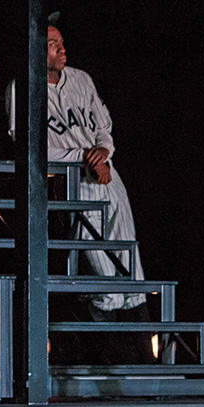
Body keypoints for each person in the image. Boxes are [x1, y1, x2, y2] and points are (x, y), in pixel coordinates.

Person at [45, 19, 150, 334]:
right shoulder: (21, 88)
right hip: (70, 178)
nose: (63, 49)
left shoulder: (81, 79)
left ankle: (147, 362)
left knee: (132, 273)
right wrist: (85, 157)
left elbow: (104, 128)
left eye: (62, 41)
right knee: (108, 283)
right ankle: (103, 347)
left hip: (106, 174)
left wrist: (102, 152)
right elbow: (32, 149)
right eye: (53, 44)